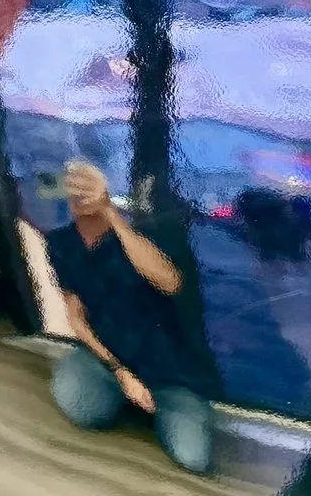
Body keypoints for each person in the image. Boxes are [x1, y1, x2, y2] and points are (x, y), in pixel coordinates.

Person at [43, 158, 215, 475]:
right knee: (79, 406)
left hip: (168, 371)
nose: (79, 195)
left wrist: (109, 212)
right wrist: (118, 370)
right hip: (108, 359)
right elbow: (76, 317)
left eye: (88, 186)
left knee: (194, 458)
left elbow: (169, 280)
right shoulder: (60, 243)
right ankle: (128, 398)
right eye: (74, 186)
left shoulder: (144, 233)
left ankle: (151, 406)